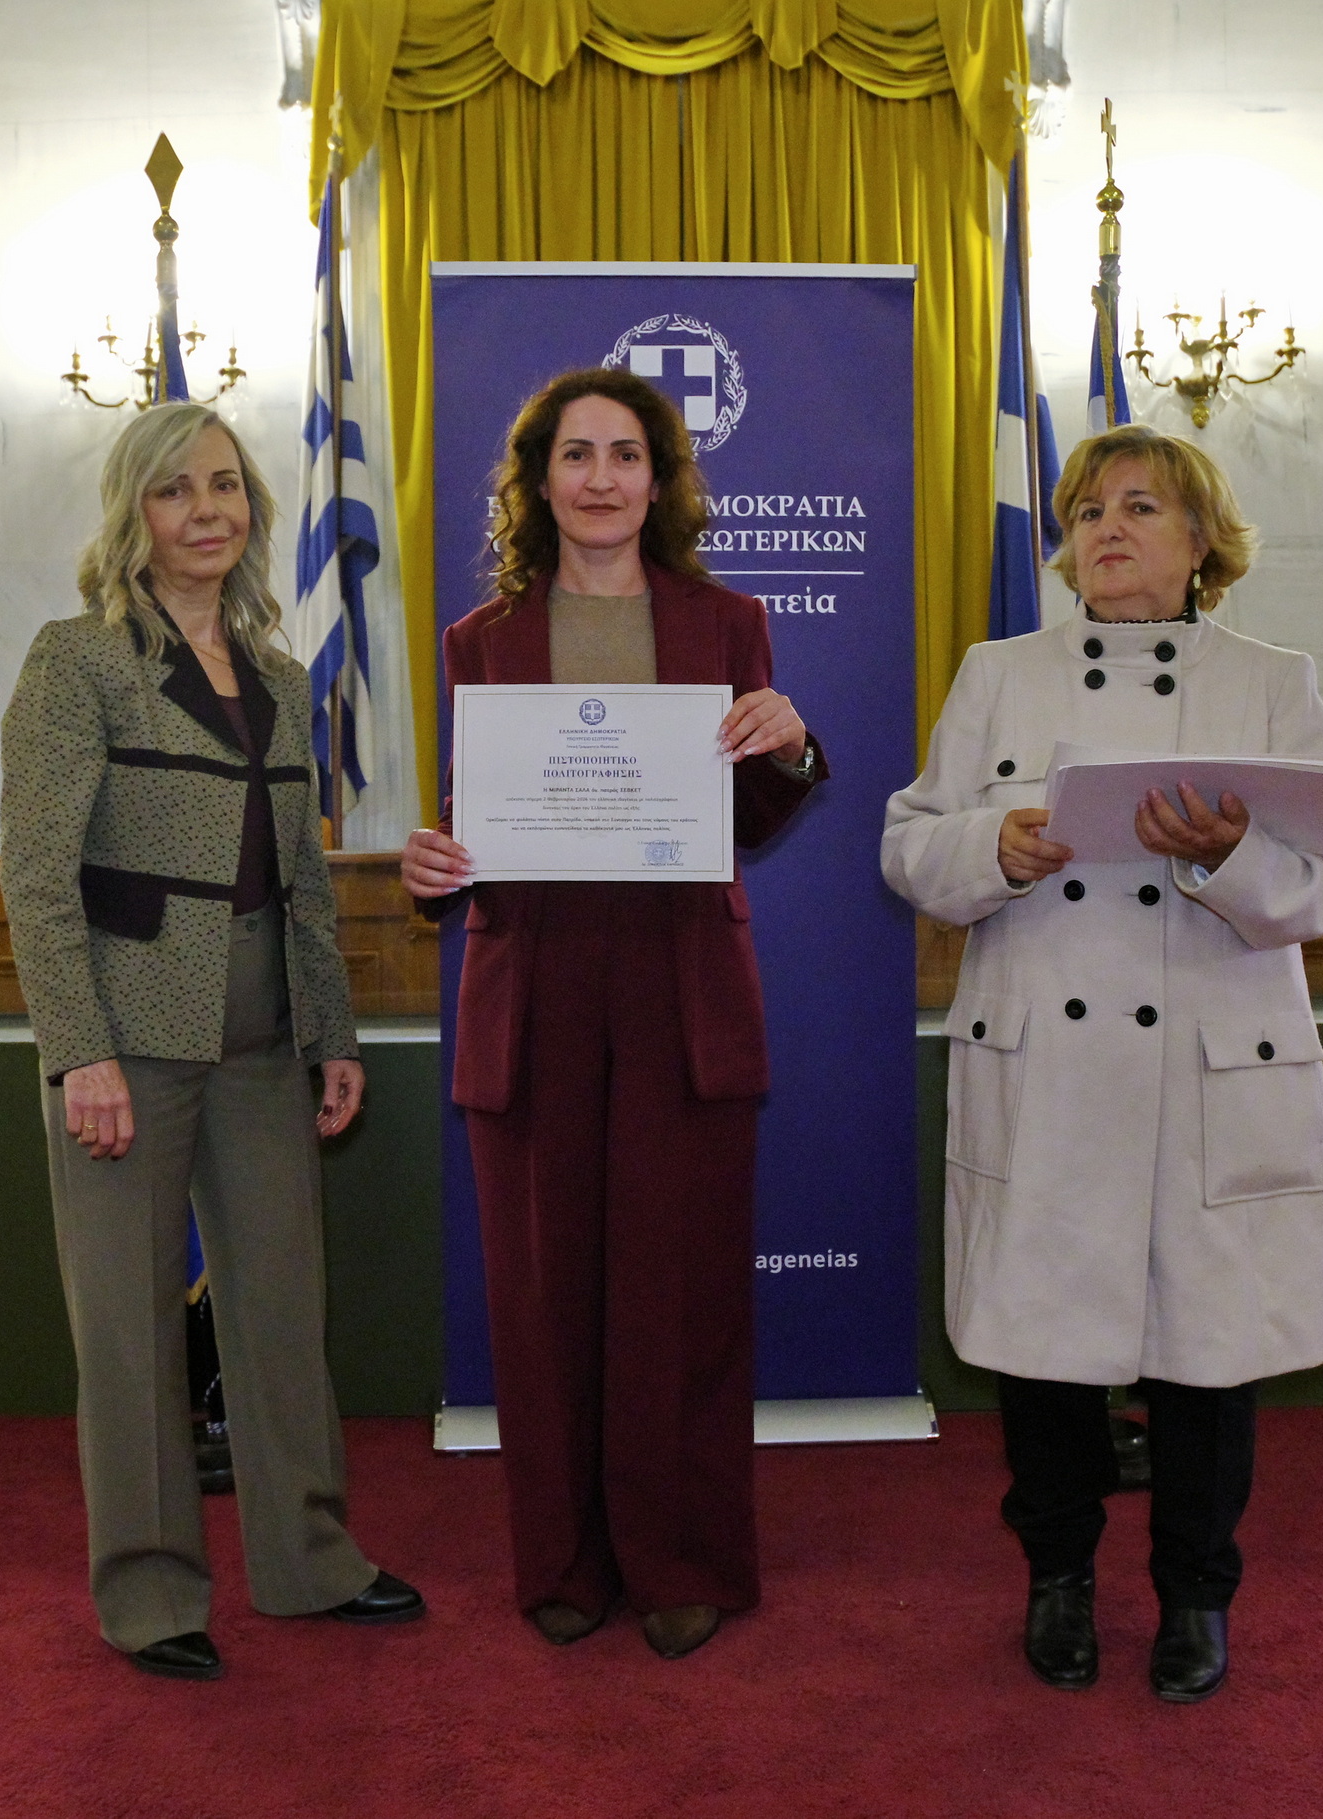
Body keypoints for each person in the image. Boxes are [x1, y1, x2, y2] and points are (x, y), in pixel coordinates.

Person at [880, 422, 1323, 1703]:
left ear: (1200, 541)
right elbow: (909, 846)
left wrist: (1222, 855)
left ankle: (1196, 1595)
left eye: (1140, 507)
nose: (1106, 529)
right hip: (1048, 1065)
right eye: (1088, 509)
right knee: (1040, 1353)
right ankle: (1057, 1578)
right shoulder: (998, 672)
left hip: (1207, 1062)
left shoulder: (1270, 681)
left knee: (1210, 1357)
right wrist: (995, 845)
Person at [400, 369, 826, 1660]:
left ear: (658, 480)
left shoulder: (727, 622)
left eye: (625, 454)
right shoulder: (479, 639)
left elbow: (749, 814)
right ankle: (565, 1558)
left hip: (676, 986)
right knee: (543, 1300)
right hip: (531, 988)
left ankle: (680, 1557)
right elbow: (473, 824)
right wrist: (432, 867)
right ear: (538, 482)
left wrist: (789, 745)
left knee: (678, 1293)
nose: (600, 478)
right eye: (575, 454)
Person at [0, 401, 424, 1682]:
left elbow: (302, 878)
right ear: (133, 510)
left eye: (226, 486)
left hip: (261, 1038)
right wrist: (77, 1050)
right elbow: (36, 876)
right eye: (177, 488)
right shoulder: (77, 660)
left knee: (282, 1309)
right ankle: (148, 1592)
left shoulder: (282, 679)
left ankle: (308, 1562)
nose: (207, 511)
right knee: (129, 1332)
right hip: (126, 1038)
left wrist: (329, 1030)